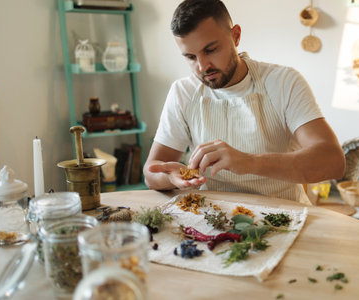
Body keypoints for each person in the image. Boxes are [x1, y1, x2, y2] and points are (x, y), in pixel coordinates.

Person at [144, 0, 345, 204]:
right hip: (213, 219)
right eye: (190, 57)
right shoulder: (183, 92)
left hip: (285, 218)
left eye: (211, 50)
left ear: (236, 36)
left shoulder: (284, 82)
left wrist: (249, 162)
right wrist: (170, 178)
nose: (202, 67)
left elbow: (332, 161)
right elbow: (151, 172)